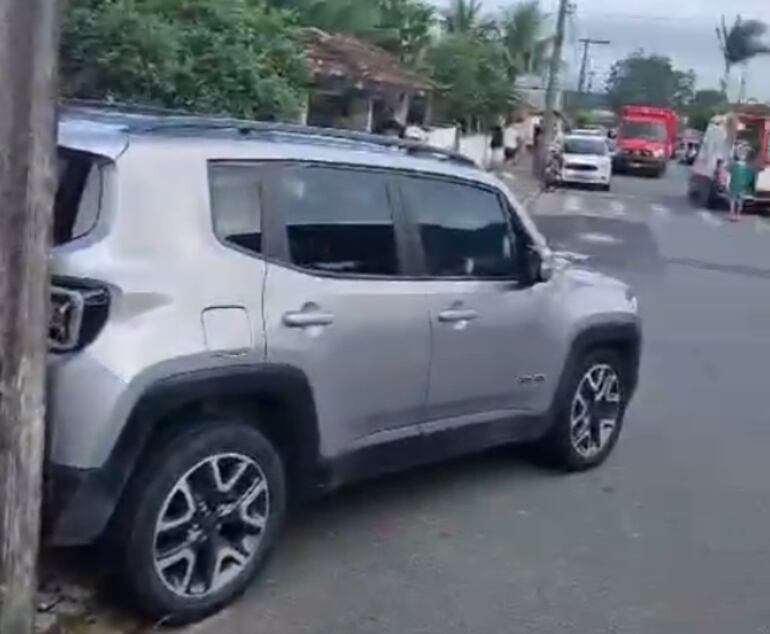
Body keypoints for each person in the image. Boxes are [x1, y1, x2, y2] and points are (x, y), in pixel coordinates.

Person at [728, 146, 754, 221]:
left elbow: (729, 174)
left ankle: (732, 214)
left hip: (733, 185)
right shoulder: (748, 167)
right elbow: (750, 178)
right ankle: (738, 215)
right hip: (742, 186)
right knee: (740, 201)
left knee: (732, 200)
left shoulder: (733, 165)